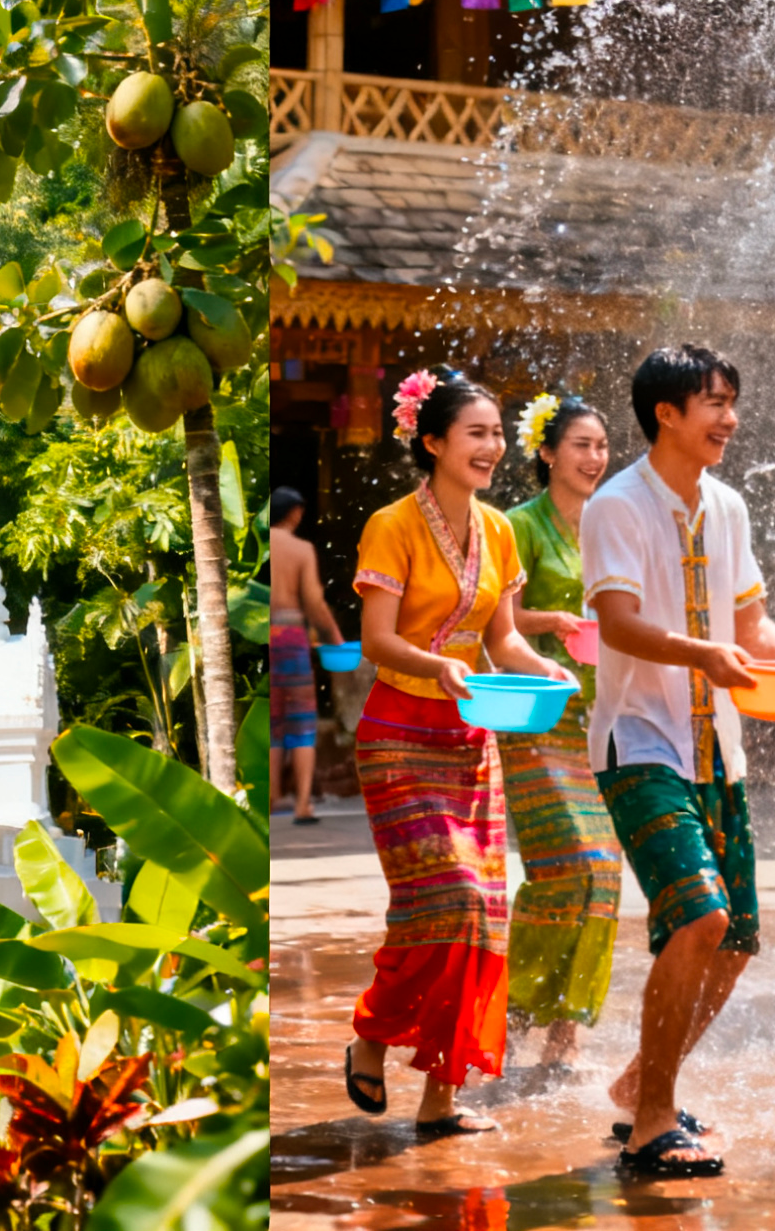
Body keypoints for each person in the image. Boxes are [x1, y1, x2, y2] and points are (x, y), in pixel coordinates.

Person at [582, 345, 775, 1178]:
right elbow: (615, 622)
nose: (729, 418)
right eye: (713, 402)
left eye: (732, 400)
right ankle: (652, 1121)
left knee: (739, 936)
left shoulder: (727, 505)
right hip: (639, 744)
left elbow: (753, 630)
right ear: (667, 415)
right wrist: (704, 652)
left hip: (716, 748)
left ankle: (639, 1083)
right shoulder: (615, 505)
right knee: (700, 916)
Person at [345, 369, 576, 1137]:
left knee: (481, 912)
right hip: (397, 736)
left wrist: (545, 666)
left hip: (470, 738)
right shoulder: (391, 524)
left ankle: (442, 1098)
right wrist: (437, 663)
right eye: (475, 432)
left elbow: (503, 637)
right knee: (442, 899)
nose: (492, 446)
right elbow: (377, 638)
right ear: (434, 441)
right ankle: (372, 1034)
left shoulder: (499, 529)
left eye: (497, 433)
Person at [500, 392, 623, 1075]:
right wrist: (554, 622)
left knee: (604, 874)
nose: (594, 457)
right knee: (562, 869)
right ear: (547, 452)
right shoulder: (517, 526)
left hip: (604, 717)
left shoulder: (611, 523)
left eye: (601, 445)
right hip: (539, 715)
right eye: (580, 444)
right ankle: (514, 1014)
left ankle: (566, 1032)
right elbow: (501, 623)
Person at [269, 487, 345, 824]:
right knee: (300, 724)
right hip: (291, 637)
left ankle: (272, 797)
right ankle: (302, 804)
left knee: (273, 723)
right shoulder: (300, 549)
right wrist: (336, 639)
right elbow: (314, 604)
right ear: (294, 513)